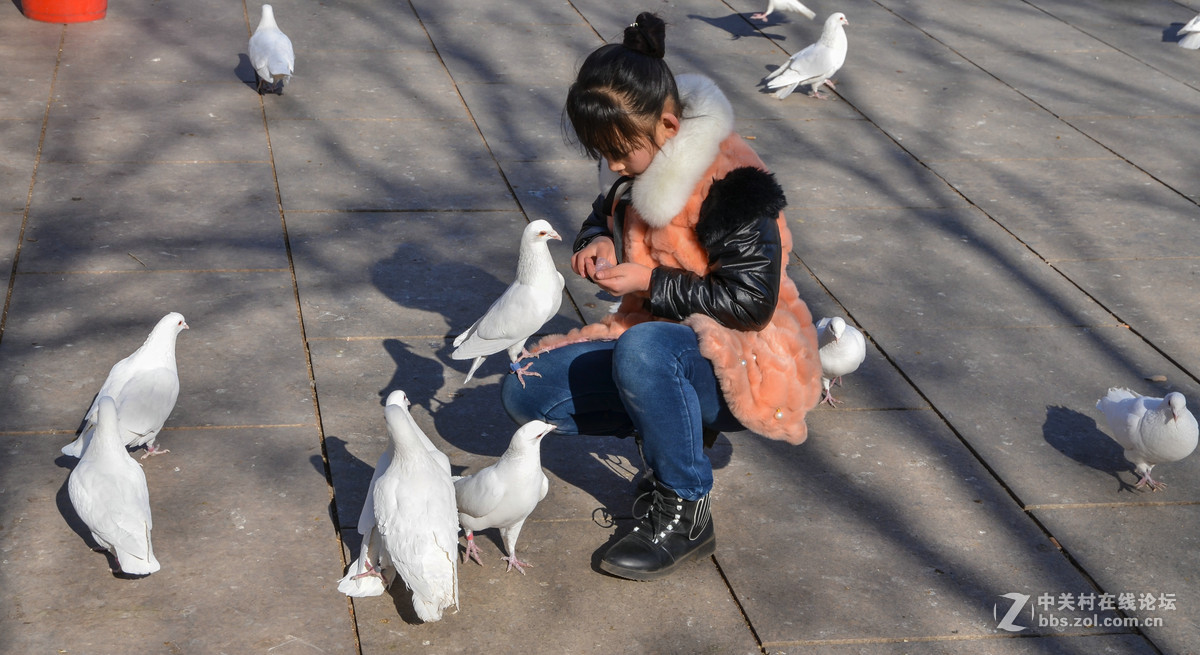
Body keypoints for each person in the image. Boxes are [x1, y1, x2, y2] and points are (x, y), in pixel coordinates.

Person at [501, 12, 823, 581]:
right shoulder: (645, 165)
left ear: (669, 127)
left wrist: (650, 283)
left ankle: (686, 505)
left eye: (619, 152)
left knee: (647, 350)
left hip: (747, 357)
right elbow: (606, 208)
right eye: (602, 153)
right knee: (528, 393)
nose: (612, 166)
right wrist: (595, 239)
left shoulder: (733, 186)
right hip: (661, 343)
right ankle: (673, 427)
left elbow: (752, 304)